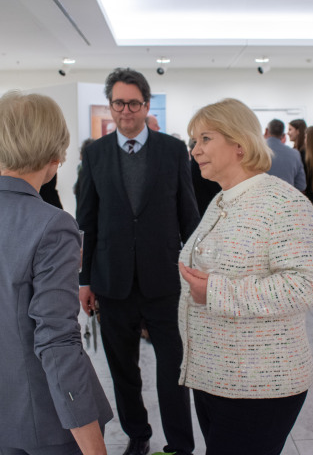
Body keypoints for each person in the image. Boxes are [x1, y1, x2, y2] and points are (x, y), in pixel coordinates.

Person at [0, 91, 113, 455]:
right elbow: (57, 342)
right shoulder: (52, 225)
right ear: (56, 155)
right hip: (48, 415)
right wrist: (94, 447)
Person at [178, 98, 313, 455]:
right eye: (194, 141)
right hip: (216, 377)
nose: (195, 150)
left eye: (205, 139)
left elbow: (308, 285)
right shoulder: (221, 200)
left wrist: (215, 292)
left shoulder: (284, 203)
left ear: (239, 145)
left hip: (259, 385)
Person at [76, 68, 199, 455]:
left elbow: (188, 215)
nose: (125, 111)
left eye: (133, 103)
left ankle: (180, 443)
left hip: (164, 278)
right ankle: (138, 434)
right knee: (123, 369)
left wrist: (195, 269)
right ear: (110, 106)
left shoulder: (172, 150)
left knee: (174, 368)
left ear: (146, 105)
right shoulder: (94, 154)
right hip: (112, 280)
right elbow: (87, 221)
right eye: (118, 103)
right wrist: (84, 278)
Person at [264, 119, 306, 191]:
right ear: (283, 135)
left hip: (260, 199)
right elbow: (301, 185)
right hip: (286, 199)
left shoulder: (255, 152)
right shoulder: (295, 154)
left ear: (266, 131)